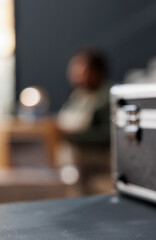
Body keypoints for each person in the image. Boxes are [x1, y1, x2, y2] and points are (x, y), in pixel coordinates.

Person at [57, 48, 112, 195]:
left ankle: (79, 198)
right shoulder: (78, 96)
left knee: (76, 154)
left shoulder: (107, 97)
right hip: (74, 150)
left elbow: (108, 134)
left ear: (96, 71)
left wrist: (72, 136)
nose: (75, 73)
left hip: (100, 154)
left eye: (81, 68)